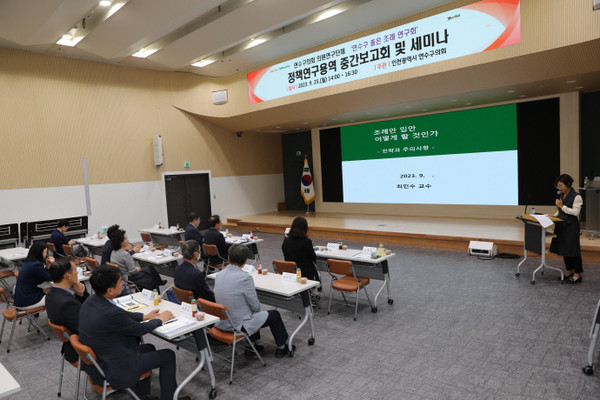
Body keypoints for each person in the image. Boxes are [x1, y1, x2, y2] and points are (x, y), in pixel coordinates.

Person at [78, 266, 189, 400]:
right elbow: (139, 329)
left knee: (149, 348)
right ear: (110, 290)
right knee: (168, 355)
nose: (124, 283)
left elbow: (123, 314)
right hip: (115, 366)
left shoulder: (92, 300)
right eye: (120, 281)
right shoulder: (111, 312)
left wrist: (144, 316)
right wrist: (160, 319)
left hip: (102, 359)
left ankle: (142, 396)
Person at [214, 244, 291, 358]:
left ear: (228, 258)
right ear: (246, 261)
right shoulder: (245, 278)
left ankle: (253, 344)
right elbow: (255, 306)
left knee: (248, 311)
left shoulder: (219, 275)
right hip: (237, 325)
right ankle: (282, 346)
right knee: (274, 315)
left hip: (222, 322)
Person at [46, 256, 89, 363]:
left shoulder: (51, 294)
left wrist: (81, 295)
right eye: (75, 270)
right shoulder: (66, 303)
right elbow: (86, 326)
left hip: (71, 344)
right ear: (67, 275)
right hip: (82, 349)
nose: (76, 273)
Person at [550, 174, 584, 283]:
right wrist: (553, 216)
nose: (559, 188)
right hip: (561, 226)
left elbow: (575, 212)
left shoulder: (576, 196)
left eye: (561, 185)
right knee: (564, 249)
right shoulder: (561, 195)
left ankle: (577, 274)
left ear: (568, 184)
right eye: (558, 186)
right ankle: (569, 270)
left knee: (573, 250)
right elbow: (560, 211)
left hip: (571, 226)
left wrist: (562, 206)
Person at [14, 242, 54, 309]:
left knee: (51, 293)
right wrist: (53, 264)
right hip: (26, 300)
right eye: (45, 252)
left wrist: (48, 266)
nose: (46, 255)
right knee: (56, 298)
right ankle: (54, 318)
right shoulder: (36, 265)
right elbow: (50, 278)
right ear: (39, 253)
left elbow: (40, 279)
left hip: (20, 298)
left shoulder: (29, 262)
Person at [282, 216, 320, 282]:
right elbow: (313, 258)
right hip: (305, 274)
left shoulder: (286, 241)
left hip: (290, 273)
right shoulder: (307, 242)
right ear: (305, 228)